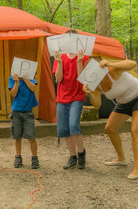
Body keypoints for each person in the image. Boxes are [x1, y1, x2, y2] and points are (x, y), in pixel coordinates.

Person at [84, 59, 138, 179]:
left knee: (135, 129)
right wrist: (90, 93)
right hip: (124, 102)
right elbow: (97, 105)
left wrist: (110, 63)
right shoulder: (95, 85)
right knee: (110, 128)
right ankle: (121, 158)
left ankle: (137, 168)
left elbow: (133, 64)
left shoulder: (112, 70)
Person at [53, 29, 89, 170]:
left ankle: (81, 153)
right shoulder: (60, 57)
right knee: (63, 129)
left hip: (77, 96)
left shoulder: (84, 57)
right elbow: (58, 79)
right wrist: (59, 63)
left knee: (74, 125)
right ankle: (72, 156)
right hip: (62, 97)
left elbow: (82, 80)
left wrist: (79, 62)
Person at [8, 74, 40, 169]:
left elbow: (33, 88)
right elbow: (13, 94)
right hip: (16, 112)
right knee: (17, 136)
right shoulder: (12, 78)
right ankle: (18, 157)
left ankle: (34, 158)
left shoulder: (30, 79)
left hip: (28, 112)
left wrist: (25, 78)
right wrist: (17, 82)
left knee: (31, 136)